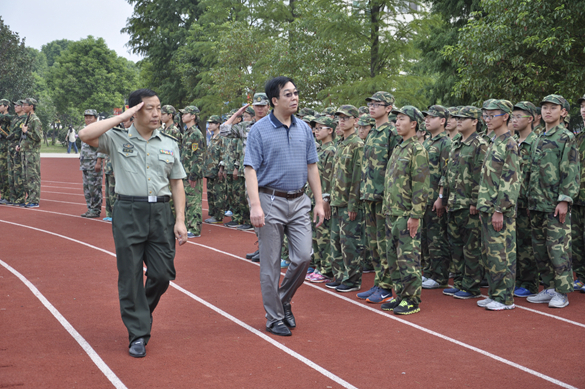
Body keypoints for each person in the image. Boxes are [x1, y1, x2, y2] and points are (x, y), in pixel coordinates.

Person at [78, 88, 188, 358]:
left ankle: (140, 313)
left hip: (161, 213)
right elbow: (85, 134)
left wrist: (181, 220)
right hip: (128, 210)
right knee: (130, 275)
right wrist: (123, 116)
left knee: (162, 275)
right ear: (135, 111)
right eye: (149, 108)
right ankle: (138, 333)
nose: (156, 113)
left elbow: (177, 183)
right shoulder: (116, 139)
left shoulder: (169, 142)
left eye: (158, 108)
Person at [244, 76, 324, 337]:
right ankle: (274, 317)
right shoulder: (258, 130)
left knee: (303, 257)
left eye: (296, 93)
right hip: (270, 200)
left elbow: (312, 166)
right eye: (288, 94)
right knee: (270, 263)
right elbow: (251, 169)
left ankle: (282, 299)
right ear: (274, 100)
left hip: (299, 201)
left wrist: (319, 201)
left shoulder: (304, 129)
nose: (294, 98)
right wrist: (255, 205)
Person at [526, 94, 579, 308]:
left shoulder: (566, 137)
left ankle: (562, 292)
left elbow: (571, 170)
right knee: (540, 250)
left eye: (553, 108)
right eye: (545, 107)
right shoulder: (538, 137)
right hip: (537, 203)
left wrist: (565, 199)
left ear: (563, 112)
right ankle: (548, 287)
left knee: (558, 249)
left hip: (555, 204)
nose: (548, 111)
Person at [380, 106, 429, 315]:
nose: (397, 123)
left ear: (414, 124)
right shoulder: (399, 148)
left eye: (401, 119)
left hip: (406, 214)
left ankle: (411, 299)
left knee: (408, 258)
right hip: (392, 213)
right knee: (393, 258)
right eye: (396, 119)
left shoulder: (417, 150)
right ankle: (400, 294)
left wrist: (415, 215)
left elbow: (421, 185)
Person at [357, 92, 401, 304]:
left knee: (385, 245)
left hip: (384, 196)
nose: (372, 108)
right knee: (373, 244)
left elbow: (395, 167)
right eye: (370, 104)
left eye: (377, 104)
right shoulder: (373, 132)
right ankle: (378, 281)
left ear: (389, 107)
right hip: (369, 195)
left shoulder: (392, 132)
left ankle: (386, 286)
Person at [476, 99, 520, 311]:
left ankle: (505, 298)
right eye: (486, 114)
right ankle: (495, 293)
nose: (488, 118)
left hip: (499, 209)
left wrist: (499, 209)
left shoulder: (509, 143)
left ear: (505, 116)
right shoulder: (495, 141)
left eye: (492, 114)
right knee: (490, 254)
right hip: (487, 206)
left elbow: (510, 180)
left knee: (501, 254)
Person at [441, 106, 488, 299]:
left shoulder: (480, 144)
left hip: (469, 204)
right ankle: (459, 282)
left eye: (463, 118)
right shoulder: (456, 144)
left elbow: (481, 175)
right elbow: (448, 173)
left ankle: (471, 285)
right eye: (457, 118)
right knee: (456, 246)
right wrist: (444, 197)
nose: (458, 121)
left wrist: (475, 201)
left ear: (475, 121)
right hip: (453, 203)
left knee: (471, 247)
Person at [326, 105, 365, 293]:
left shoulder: (357, 144)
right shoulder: (341, 143)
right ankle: (340, 276)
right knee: (336, 242)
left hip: (348, 203)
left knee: (350, 243)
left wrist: (353, 203)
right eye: (339, 118)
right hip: (336, 201)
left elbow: (358, 177)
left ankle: (352, 279)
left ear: (356, 121)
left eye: (346, 118)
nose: (341, 121)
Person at [420, 105, 452, 290]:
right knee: (425, 238)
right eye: (426, 117)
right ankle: (429, 271)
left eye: (432, 117)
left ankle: (439, 276)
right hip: (424, 198)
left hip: (435, 198)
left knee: (436, 238)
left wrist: (441, 197)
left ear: (442, 121)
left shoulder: (445, 143)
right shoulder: (426, 142)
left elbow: (446, 172)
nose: (427, 120)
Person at [510, 101, 539, 298]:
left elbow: (537, 175)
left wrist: (531, 200)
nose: (514, 119)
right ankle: (519, 279)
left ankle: (529, 282)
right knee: (516, 243)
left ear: (531, 119)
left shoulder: (537, 142)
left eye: (519, 116)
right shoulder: (513, 142)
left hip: (527, 202)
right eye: (513, 116)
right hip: (512, 202)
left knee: (528, 243)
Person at [307, 116, 337, 283]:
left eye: (320, 128)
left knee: (324, 234)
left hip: (323, 199)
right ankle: (318, 265)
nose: (315, 131)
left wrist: (326, 198)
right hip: (314, 197)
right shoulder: (320, 149)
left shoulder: (331, 150)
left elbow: (331, 177)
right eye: (315, 128)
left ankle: (326, 268)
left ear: (330, 130)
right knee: (316, 235)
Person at [181, 106, 206, 238]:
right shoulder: (187, 133)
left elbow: (198, 156)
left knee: (194, 201)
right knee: (186, 201)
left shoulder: (196, 134)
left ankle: (195, 229)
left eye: (186, 113)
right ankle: (188, 225)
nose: (182, 115)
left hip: (192, 173)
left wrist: (194, 174)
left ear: (193, 116)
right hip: (185, 172)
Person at [80, 109, 106, 218]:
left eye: (90, 117)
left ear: (96, 118)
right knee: (86, 188)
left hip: (93, 163)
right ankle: (90, 208)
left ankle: (95, 209)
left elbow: (102, 146)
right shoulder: (85, 129)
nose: (88, 119)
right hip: (85, 163)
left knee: (94, 188)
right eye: (86, 117)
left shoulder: (98, 130)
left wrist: (99, 162)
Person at [203, 115, 226, 224]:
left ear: (218, 124)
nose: (210, 125)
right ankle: (212, 213)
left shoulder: (221, 138)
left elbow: (223, 154)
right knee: (210, 193)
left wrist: (221, 169)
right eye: (209, 123)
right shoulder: (212, 137)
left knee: (218, 193)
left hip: (217, 170)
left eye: (212, 123)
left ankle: (218, 215)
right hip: (210, 170)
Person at [20, 98, 42, 208]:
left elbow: (38, 137)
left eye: (25, 105)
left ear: (31, 106)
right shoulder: (27, 119)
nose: (23, 107)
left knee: (33, 177)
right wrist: (21, 145)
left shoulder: (35, 120)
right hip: (26, 151)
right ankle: (29, 198)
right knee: (26, 177)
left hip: (32, 153)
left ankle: (35, 200)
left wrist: (26, 132)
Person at [575, 94, 585, 293]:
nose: (583, 109)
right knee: (576, 241)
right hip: (577, 198)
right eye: (583, 106)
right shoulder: (577, 138)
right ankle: (581, 278)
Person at [0, 99, 12, 203]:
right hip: (1, 149)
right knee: (1, 174)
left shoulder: (8, 117)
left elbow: (5, 117)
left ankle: (7, 196)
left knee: (5, 173)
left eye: (0, 105)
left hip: (5, 149)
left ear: (6, 106)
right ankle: (3, 195)